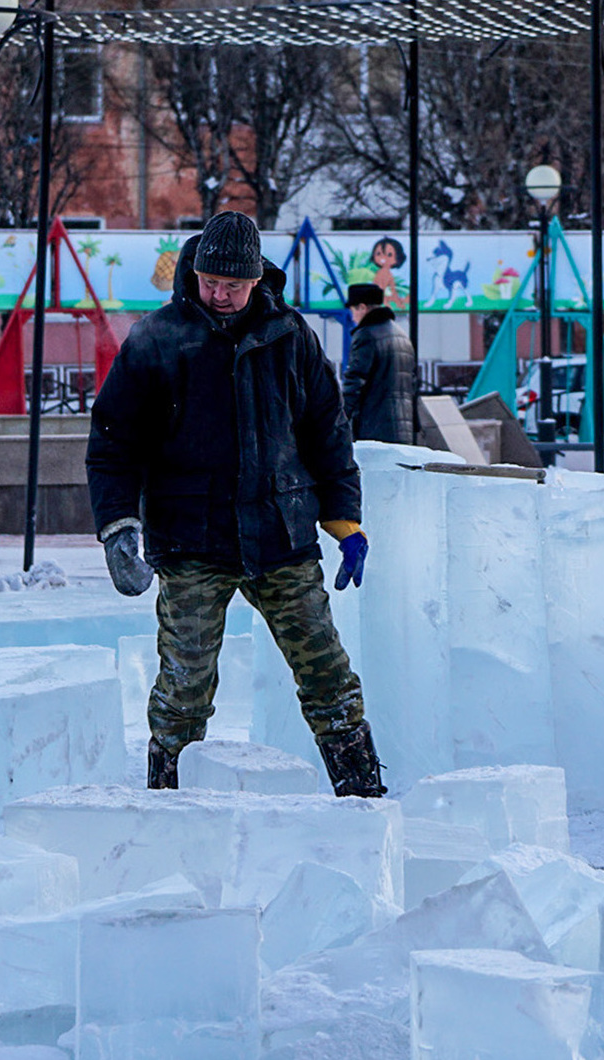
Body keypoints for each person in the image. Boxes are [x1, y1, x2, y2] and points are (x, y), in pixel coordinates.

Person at [87, 210, 385, 797]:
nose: (220, 295)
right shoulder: (157, 339)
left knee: (327, 673)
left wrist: (345, 520)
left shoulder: (290, 336)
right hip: (189, 539)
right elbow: (112, 443)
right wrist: (118, 527)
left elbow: (328, 431)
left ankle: (364, 798)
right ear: (195, 273)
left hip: (280, 533)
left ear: (257, 280)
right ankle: (171, 803)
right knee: (184, 686)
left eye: (233, 285)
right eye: (210, 282)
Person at [342, 283, 418, 444]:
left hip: (374, 429)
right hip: (404, 428)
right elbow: (412, 385)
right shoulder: (401, 335)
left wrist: (338, 420)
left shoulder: (366, 335)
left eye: (353, 310)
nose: (352, 316)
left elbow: (354, 382)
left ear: (362, 307)